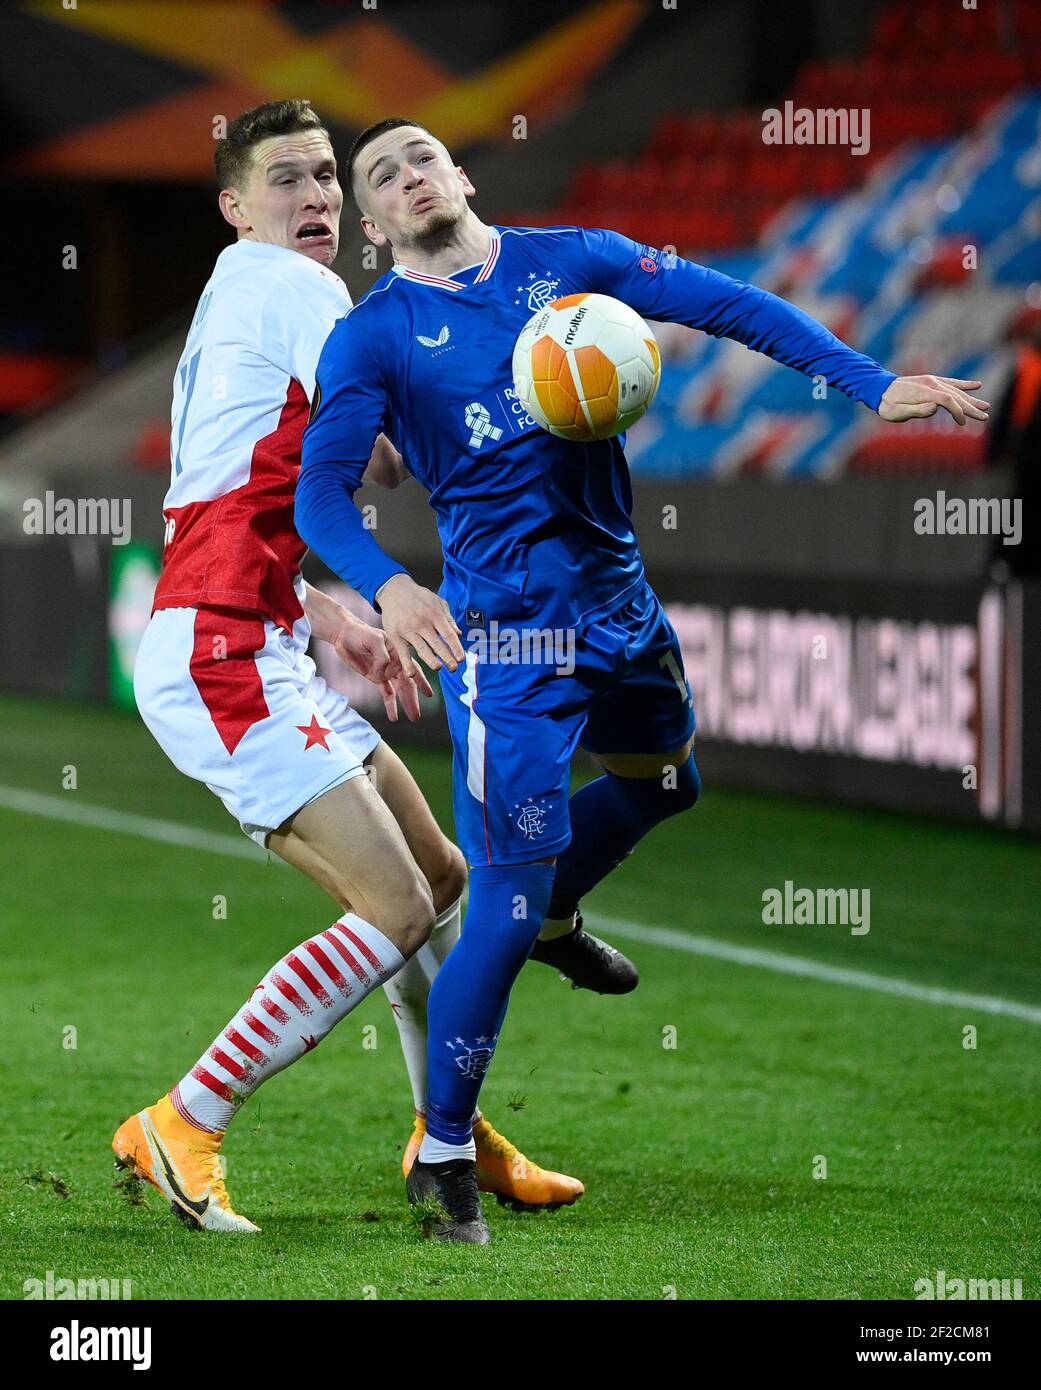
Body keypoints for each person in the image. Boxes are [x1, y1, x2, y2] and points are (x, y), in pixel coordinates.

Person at [296, 118, 990, 1243]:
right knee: (504, 909)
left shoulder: (569, 261)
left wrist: (870, 385)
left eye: (422, 155)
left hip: (620, 610)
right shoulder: (375, 336)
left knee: (668, 783)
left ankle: (569, 900)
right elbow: (320, 494)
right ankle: (444, 1151)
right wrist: (386, 586)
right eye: (381, 175)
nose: (407, 175)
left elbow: (731, 303)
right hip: (504, 646)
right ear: (372, 222)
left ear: (461, 174)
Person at [112, 100, 587, 1235]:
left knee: (438, 876)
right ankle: (187, 1118)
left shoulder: (245, 290)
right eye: (287, 180)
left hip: (254, 632)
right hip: (223, 655)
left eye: (326, 177)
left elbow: (239, 497)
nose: (317, 198)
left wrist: (327, 607)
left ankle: (444, 1131)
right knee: (395, 902)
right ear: (236, 208)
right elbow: (379, 452)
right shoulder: (290, 286)